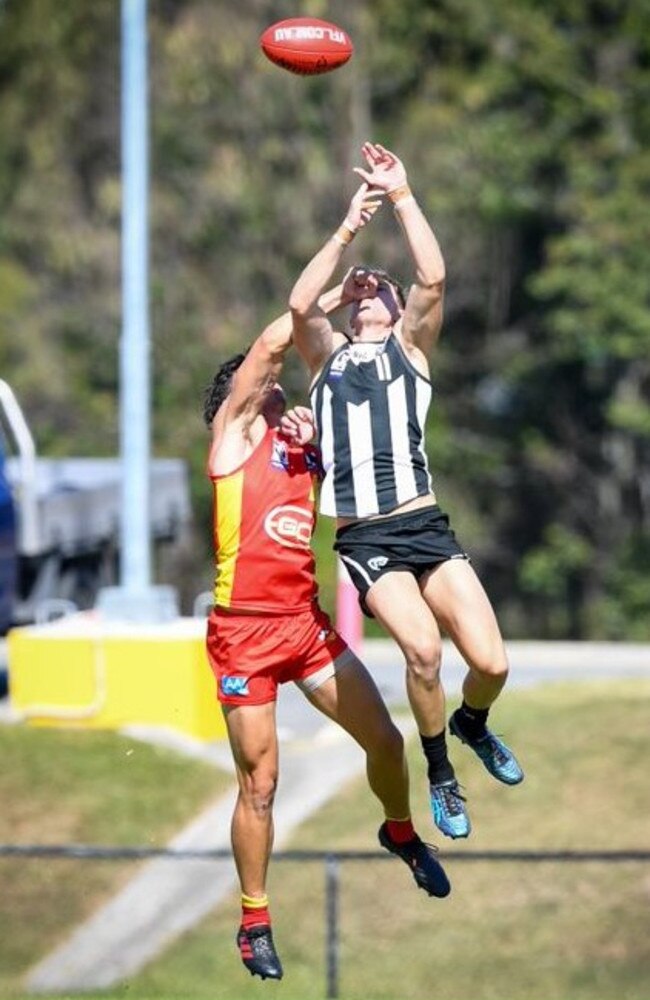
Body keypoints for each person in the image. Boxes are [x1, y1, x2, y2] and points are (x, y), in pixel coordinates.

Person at [203, 260, 451, 982]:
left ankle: (399, 832)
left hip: (302, 626)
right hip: (243, 632)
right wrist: (342, 293)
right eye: (267, 387)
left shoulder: (302, 441)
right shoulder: (232, 435)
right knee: (261, 783)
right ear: (240, 400)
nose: (279, 389)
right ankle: (254, 919)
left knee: (386, 740)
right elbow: (271, 346)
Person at [287, 141, 523, 844]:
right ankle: (440, 771)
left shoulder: (410, 352)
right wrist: (347, 234)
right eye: (365, 287)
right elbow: (300, 304)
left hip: (426, 526)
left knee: (492, 663)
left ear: (396, 308)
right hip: (366, 536)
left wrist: (402, 194)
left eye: (382, 288)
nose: (375, 290)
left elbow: (434, 275)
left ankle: (472, 722)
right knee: (423, 652)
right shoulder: (328, 357)